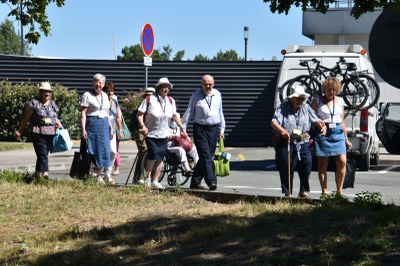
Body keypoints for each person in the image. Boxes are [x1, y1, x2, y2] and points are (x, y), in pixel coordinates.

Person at [272, 85, 325, 197]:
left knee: (306, 165)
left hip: (303, 141)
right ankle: (288, 192)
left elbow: (315, 120)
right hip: (287, 141)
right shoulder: (283, 107)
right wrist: (282, 130)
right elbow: (274, 122)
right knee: (287, 166)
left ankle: (303, 190)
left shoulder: (306, 107)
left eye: (302, 98)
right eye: (298, 98)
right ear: (291, 98)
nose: (300, 101)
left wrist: (322, 125)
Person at [136, 77, 186, 189]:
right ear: (158, 88)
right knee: (153, 155)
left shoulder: (170, 101)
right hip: (151, 133)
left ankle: (155, 180)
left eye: (167, 87)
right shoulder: (150, 99)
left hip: (164, 134)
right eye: (164, 87)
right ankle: (148, 179)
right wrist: (143, 126)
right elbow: (139, 114)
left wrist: (181, 127)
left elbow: (174, 116)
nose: (166, 89)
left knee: (160, 158)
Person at [182, 74, 225, 190]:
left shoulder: (218, 94)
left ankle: (195, 182)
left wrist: (222, 129)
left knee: (206, 157)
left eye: (210, 84)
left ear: (213, 84)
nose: (208, 86)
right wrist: (183, 128)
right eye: (205, 84)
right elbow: (189, 112)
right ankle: (212, 181)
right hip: (200, 129)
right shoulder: (196, 95)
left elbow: (220, 112)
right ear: (202, 84)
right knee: (206, 155)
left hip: (214, 129)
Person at [311, 77, 352, 196]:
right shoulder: (317, 101)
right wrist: (319, 123)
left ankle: (339, 191)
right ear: (324, 89)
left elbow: (342, 121)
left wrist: (346, 138)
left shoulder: (340, 101)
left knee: (342, 161)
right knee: (323, 162)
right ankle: (324, 191)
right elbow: (309, 116)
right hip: (323, 132)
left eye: (334, 90)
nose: (331, 92)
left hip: (338, 132)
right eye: (329, 89)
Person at [15, 82, 62, 179]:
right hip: (38, 132)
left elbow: (55, 117)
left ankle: (37, 174)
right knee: (43, 154)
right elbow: (26, 118)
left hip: (51, 133)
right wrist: (20, 130)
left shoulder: (53, 104)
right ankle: (45, 175)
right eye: (45, 91)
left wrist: (58, 124)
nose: (47, 94)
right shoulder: (34, 103)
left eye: (49, 92)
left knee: (42, 154)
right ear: (40, 92)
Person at [81, 73, 114, 184]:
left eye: (100, 82)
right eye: (95, 82)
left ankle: (100, 175)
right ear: (92, 83)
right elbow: (83, 113)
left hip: (104, 124)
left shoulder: (105, 95)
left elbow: (107, 113)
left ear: (103, 84)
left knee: (104, 150)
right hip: (92, 124)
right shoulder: (87, 95)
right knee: (92, 150)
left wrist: (111, 128)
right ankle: (90, 174)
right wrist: (83, 129)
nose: (97, 84)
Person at [132, 87, 155, 184]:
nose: (149, 96)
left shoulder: (155, 106)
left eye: (151, 95)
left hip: (151, 132)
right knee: (143, 151)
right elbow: (136, 120)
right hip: (140, 130)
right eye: (147, 95)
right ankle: (138, 177)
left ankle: (144, 176)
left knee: (149, 153)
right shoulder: (141, 106)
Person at [104, 80, 122, 184]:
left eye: (112, 91)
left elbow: (118, 117)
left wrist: (120, 130)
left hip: (113, 131)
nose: (110, 93)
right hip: (103, 130)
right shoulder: (102, 101)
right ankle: (100, 174)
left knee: (113, 152)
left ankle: (108, 173)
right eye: (108, 91)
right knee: (103, 152)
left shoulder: (115, 102)